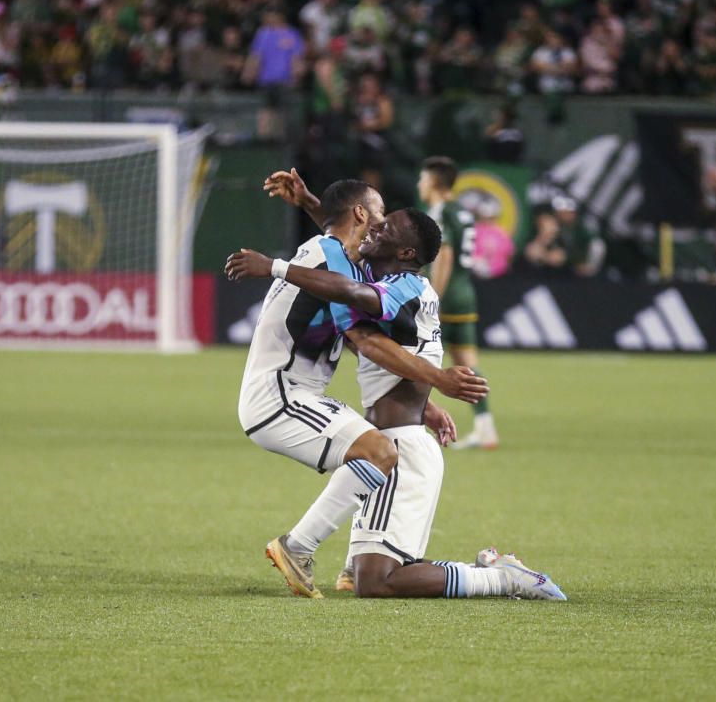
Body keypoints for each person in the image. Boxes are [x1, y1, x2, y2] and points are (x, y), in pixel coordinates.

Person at [226, 207, 566, 602]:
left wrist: (275, 267)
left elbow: (358, 311)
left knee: (379, 583)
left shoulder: (410, 286)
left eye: (385, 227)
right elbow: (343, 246)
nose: (373, 227)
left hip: (401, 452)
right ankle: (340, 554)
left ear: (406, 252)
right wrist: (309, 201)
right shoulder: (383, 281)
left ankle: (502, 578)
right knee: (361, 581)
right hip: (388, 447)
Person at [417, 156, 499, 450]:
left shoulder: (439, 211)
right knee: (467, 364)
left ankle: (409, 427)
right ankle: (485, 428)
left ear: (435, 182)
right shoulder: (462, 211)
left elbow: (445, 254)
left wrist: (433, 299)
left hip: (446, 296)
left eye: (423, 179)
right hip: (465, 294)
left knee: (417, 362)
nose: (420, 185)